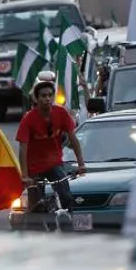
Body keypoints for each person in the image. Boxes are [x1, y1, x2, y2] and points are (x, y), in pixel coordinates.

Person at [16, 76, 86, 214]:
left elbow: (73, 139)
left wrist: (81, 164)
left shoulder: (61, 113)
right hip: (34, 168)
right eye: (43, 96)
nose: (47, 98)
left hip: (54, 164)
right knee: (37, 206)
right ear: (36, 99)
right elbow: (22, 148)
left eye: (50, 95)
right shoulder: (29, 119)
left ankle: (70, 226)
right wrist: (24, 175)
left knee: (66, 197)